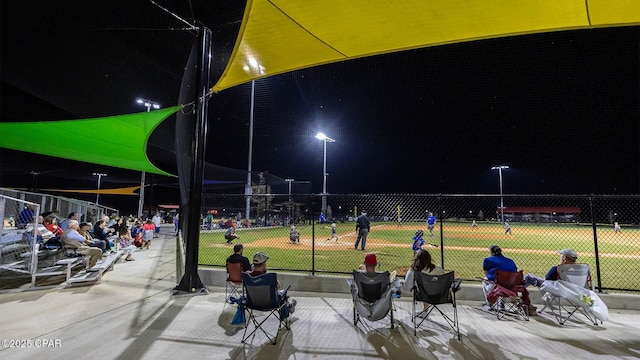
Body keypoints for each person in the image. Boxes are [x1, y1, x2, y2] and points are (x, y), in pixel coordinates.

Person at [403, 249, 446, 314]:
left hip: (421, 295)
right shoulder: (438, 269)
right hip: (440, 295)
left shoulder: (413, 271)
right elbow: (445, 281)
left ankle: (425, 310)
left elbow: (407, 286)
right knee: (428, 288)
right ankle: (425, 310)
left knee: (424, 290)